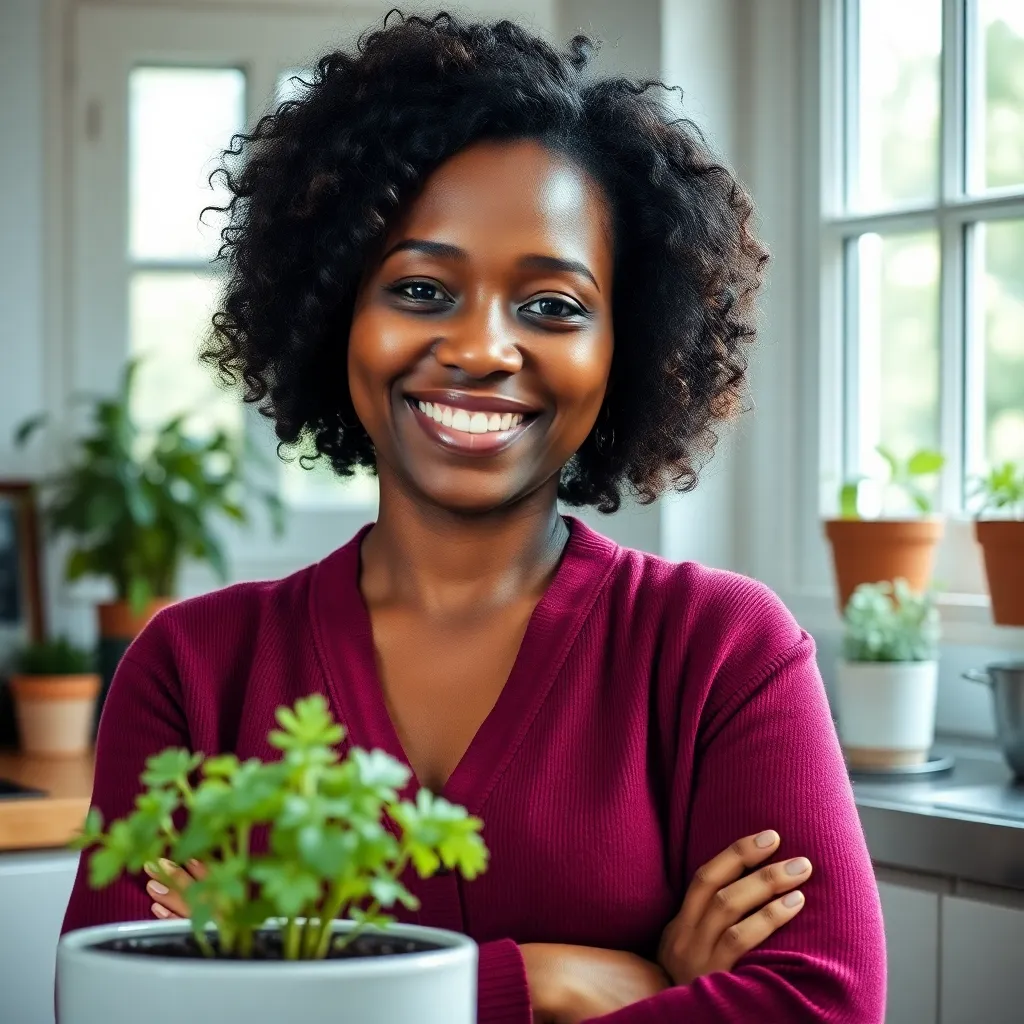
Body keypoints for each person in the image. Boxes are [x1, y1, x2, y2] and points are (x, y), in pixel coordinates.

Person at [62, 11, 885, 1022]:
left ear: (626, 344)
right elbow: (118, 1007)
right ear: (336, 313)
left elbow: (818, 1005)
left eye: (552, 306)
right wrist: (552, 983)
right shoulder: (190, 671)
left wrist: (292, 982)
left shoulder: (721, 650)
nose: (483, 349)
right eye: (420, 288)